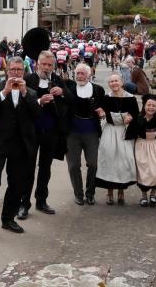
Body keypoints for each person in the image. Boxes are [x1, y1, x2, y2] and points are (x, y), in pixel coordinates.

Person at [0, 57, 40, 241]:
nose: (16, 73)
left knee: (16, 184)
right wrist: (4, 92)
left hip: (19, 145)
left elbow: (37, 115)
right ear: (7, 70)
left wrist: (25, 94)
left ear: (24, 72)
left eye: (19, 70)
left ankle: (8, 218)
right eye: (12, 69)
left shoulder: (30, 92)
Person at [19, 51, 67, 218]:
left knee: (45, 168)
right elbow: (21, 103)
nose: (47, 68)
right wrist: (39, 102)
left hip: (50, 130)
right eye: (44, 64)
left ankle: (41, 200)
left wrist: (62, 92)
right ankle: (24, 203)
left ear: (53, 66)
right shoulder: (29, 79)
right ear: (37, 64)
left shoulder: (57, 80)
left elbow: (69, 98)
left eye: (50, 65)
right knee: (28, 168)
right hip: (31, 131)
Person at [63, 63, 106, 206]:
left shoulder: (98, 90)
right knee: (74, 165)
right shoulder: (68, 87)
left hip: (92, 132)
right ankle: (78, 194)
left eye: (82, 73)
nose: (79, 76)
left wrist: (102, 114)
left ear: (89, 75)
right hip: (72, 133)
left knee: (93, 164)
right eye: (78, 73)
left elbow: (104, 108)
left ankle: (90, 193)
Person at [94, 72, 138, 206]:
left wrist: (131, 118)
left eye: (116, 81)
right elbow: (101, 112)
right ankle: (110, 192)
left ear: (122, 82)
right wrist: (102, 114)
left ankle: (121, 191)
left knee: (123, 161)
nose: (114, 83)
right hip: (110, 131)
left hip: (124, 133)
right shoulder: (106, 97)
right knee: (110, 160)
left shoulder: (131, 98)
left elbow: (136, 115)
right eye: (111, 81)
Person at [125, 94, 156, 207]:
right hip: (141, 145)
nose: (151, 107)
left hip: (154, 145)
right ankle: (143, 195)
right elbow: (131, 132)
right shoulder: (138, 118)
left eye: (153, 105)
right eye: (149, 105)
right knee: (144, 170)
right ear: (144, 106)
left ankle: (153, 194)